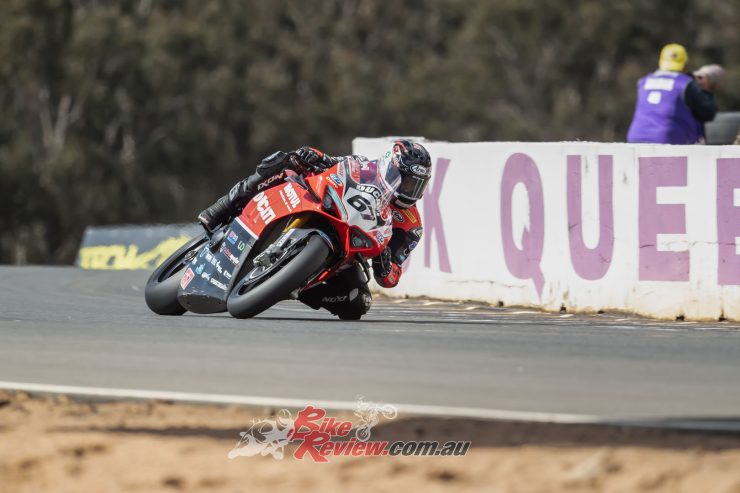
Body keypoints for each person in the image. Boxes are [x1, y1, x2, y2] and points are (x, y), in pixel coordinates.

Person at [197, 140, 431, 320]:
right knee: (285, 161)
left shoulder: (412, 225)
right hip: (326, 208)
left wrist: (385, 265)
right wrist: (313, 156)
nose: (411, 190)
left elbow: (391, 279)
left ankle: (290, 284)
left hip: (348, 252)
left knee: (358, 304)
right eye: (407, 181)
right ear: (391, 168)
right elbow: (331, 161)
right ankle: (222, 208)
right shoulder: (364, 166)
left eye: (417, 186)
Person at [627, 43, 717, 144]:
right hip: (667, 140)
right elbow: (708, 113)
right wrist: (706, 89)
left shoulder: (643, 82)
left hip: (636, 138)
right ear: (685, 64)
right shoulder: (685, 84)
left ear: (661, 62)